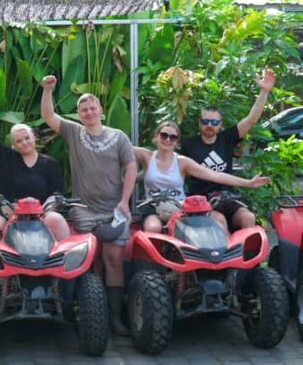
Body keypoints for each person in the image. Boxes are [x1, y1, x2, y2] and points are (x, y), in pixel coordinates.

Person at [40, 75, 136, 336]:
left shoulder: (119, 137)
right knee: (90, 259)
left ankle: (115, 318)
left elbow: (130, 167)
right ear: (79, 114)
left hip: (114, 209)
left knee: (114, 259)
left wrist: (124, 201)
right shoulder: (74, 132)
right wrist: (47, 89)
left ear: (101, 110)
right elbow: (48, 116)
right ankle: (92, 315)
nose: (89, 112)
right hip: (83, 209)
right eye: (84, 109)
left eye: (93, 108)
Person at [179, 68, 275, 232]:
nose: (209, 125)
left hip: (228, 198)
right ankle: (224, 250)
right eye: (205, 121)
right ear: (199, 123)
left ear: (220, 124)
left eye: (214, 122)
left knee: (248, 218)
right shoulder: (189, 145)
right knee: (220, 221)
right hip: (202, 203)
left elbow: (251, 120)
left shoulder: (227, 138)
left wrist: (264, 92)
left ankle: (244, 249)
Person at [0, 94, 69, 241]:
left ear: (34, 138)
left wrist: (46, 209)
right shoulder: (8, 158)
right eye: (19, 141)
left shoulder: (50, 164)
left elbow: (56, 194)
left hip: (42, 214)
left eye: (27, 138)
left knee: (57, 220)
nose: (24, 143)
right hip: (8, 213)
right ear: (14, 145)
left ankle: (64, 255)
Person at [135, 121, 270, 234]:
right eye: (164, 135)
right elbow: (122, 146)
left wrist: (249, 183)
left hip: (179, 207)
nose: (168, 140)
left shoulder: (182, 162)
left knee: (215, 221)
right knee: (153, 228)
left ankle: (223, 257)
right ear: (156, 136)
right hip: (153, 206)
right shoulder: (146, 156)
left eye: (173, 137)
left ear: (176, 141)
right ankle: (153, 260)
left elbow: (214, 175)